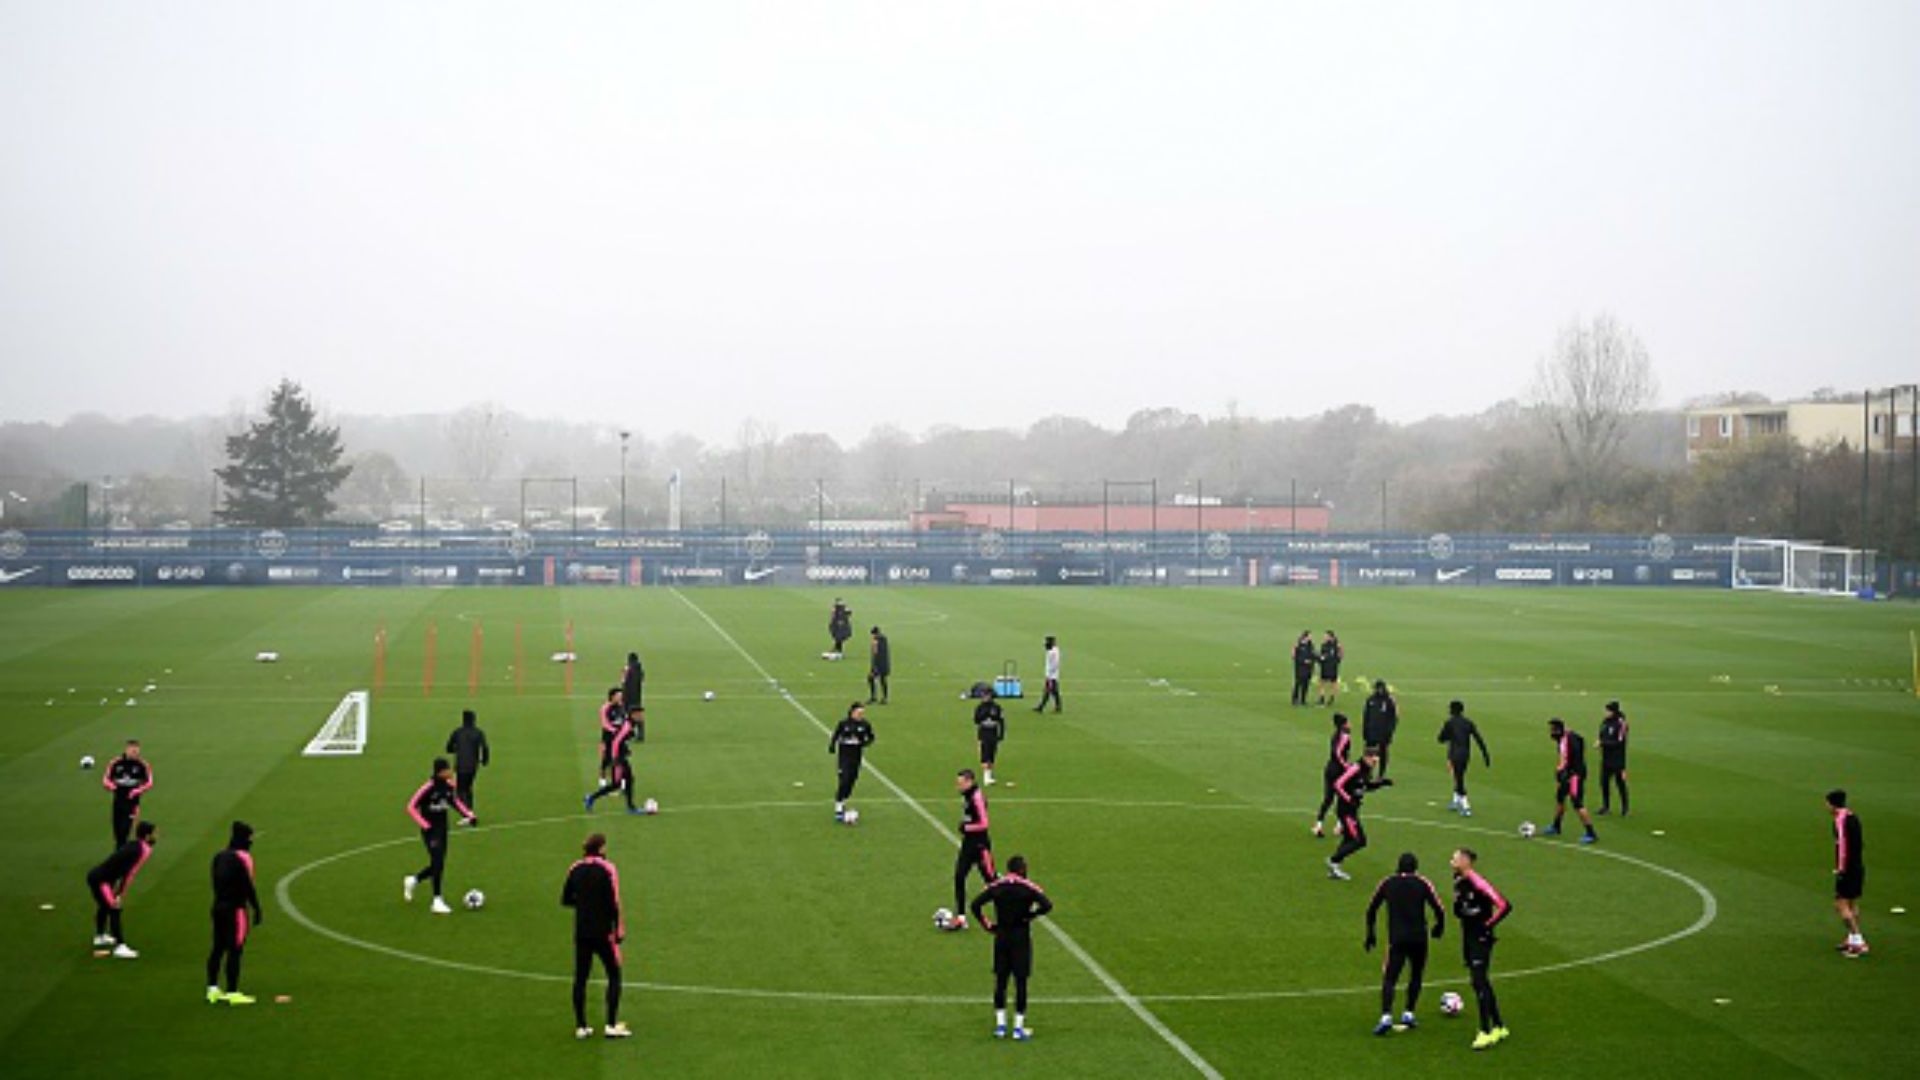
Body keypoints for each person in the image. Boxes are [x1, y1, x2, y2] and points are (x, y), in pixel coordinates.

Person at [969, 854, 1054, 1041]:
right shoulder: (1027, 887)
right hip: (1020, 937)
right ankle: (1018, 1027)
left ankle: (1000, 1025)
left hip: (1002, 936)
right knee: (1020, 981)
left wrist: (987, 924)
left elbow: (975, 905)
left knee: (1001, 980)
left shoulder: (998, 886)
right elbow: (1047, 905)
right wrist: (1030, 916)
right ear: (1022, 869)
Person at [1364, 852, 1446, 1035]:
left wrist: (1371, 934)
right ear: (1415, 868)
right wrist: (1439, 927)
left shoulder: (1388, 883)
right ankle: (1408, 1013)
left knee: (1390, 978)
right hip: (1419, 938)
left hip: (1397, 938)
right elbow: (1439, 908)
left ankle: (1386, 1016)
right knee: (1416, 975)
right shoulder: (1423, 883)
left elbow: (1371, 909)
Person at [562, 833, 631, 1039]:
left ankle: (581, 1026)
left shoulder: (575, 868)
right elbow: (614, 902)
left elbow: (565, 899)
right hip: (603, 931)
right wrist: (618, 930)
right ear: (601, 848)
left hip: (582, 931)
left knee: (580, 978)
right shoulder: (608, 869)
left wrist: (584, 903)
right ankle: (610, 1025)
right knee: (614, 974)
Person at [1450, 847, 1512, 1050]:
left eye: (1455, 858)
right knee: (1480, 982)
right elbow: (1461, 910)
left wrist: (1487, 926)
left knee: (1479, 981)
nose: (1452, 860)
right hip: (1468, 936)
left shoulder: (1478, 881)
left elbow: (1504, 905)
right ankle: (1499, 1026)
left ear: (1466, 861)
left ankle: (1485, 1031)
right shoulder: (1459, 881)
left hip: (1480, 938)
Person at [405, 757, 476, 914]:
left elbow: (454, 802)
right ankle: (437, 900)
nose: (450, 772)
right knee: (437, 862)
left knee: (438, 864)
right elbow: (410, 807)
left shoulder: (449, 786)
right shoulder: (428, 788)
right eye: (447, 769)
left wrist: (469, 815)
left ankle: (414, 880)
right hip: (430, 831)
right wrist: (425, 825)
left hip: (443, 829)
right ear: (440, 771)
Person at [207, 821, 264, 1005]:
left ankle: (212, 988)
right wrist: (256, 908)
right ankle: (232, 991)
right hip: (236, 909)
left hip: (218, 907)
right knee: (235, 949)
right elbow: (248, 886)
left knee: (217, 947)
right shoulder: (244, 858)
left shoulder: (219, 856)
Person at [87, 820, 155, 958]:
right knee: (114, 908)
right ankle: (120, 946)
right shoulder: (143, 850)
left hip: (101, 877)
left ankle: (100, 937)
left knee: (105, 906)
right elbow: (129, 873)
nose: (156, 836)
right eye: (154, 833)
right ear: (147, 836)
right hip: (101, 880)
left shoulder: (134, 845)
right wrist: (120, 894)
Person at [1327, 748, 1391, 880]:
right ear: (1366, 757)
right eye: (1373, 760)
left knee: (1349, 839)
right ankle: (1334, 860)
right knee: (1359, 840)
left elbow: (1365, 787)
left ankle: (1335, 868)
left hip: (1352, 810)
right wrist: (1349, 799)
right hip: (1346, 811)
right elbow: (1338, 784)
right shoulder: (1355, 768)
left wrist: (1381, 784)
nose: (1375, 763)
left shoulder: (1366, 770)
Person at [949, 769, 995, 929]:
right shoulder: (967, 795)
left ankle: (1010, 909)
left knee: (992, 882)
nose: (958, 786)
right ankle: (961, 917)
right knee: (959, 877)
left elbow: (984, 823)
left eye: (960, 783)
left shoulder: (977, 797)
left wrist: (966, 828)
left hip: (980, 845)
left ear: (969, 781)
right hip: (968, 844)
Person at [1828, 790, 1868, 957]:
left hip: (1848, 868)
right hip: (1857, 866)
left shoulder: (1841, 820)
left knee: (1840, 904)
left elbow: (1843, 846)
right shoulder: (1852, 816)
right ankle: (1852, 938)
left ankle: (1858, 941)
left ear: (1831, 804)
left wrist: (1840, 868)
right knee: (1851, 904)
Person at [1544, 719, 1597, 844]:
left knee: (1577, 803)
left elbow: (1568, 759)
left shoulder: (1569, 741)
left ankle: (1591, 832)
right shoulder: (1565, 738)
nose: (1551, 733)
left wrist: (1565, 772)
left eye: (1553, 730)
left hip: (1574, 776)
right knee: (1560, 798)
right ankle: (1556, 826)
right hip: (1567, 774)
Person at [1437, 701, 1491, 817]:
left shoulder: (1449, 723)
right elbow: (1478, 739)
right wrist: (1485, 755)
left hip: (1454, 755)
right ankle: (1455, 801)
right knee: (1458, 775)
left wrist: (1448, 737)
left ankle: (1466, 806)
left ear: (1452, 710)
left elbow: (1440, 738)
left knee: (1459, 779)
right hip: (1465, 754)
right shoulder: (1468, 723)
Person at [585, 705, 641, 814]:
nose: (642, 716)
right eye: (639, 714)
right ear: (633, 715)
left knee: (628, 779)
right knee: (616, 784)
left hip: (621, 757)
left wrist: (626, 750)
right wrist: (616, 759)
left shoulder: (630, 724)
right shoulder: (627, 726)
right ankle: (591, 797)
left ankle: (630, 807)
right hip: (618, 758)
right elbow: (616, 741)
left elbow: (620, 740)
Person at [102, 739, 154, 848]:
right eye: (132, 751)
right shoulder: (116, 763)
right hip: (118, 801)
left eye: (136, 751)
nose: (134, 753)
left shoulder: (142, 765)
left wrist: (137, 791)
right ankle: (120, 854)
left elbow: (149, 782)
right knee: (117, 833)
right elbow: (106, 780)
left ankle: (120, 856)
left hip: (132, 803)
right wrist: (113, 787)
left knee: (125, 831)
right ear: (127, 750)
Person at [828, 702, 875, 821]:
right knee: (844, 779)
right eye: (859, 712)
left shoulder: (865, 724)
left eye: (862, 713)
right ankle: (838, 807)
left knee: (851, 780)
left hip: (856, 756)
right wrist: (832, 746)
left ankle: (844, 799)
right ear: (852, 712)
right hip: (844, 756)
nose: (861, 715)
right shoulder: (844, 724)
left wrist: (863, 743)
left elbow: (871, 737)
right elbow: (836, 734)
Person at [1311, 712, 1353, 838]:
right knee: (1344, 798)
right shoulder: (1345, 736)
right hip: (1339, 771)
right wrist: (1347, 766)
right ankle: (1339, 826)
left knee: (1328, 798)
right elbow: (1338, 753)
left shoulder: (1335, 735)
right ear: (1344, 724)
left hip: (1330, 769)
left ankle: (1318, 824)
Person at [445, 709, 491, 813]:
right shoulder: (478, 732)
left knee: (461, 789)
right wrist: (484, 760)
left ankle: (467, 812)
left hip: (460, 765)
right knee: (468, 788)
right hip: (473, 765)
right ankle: (469, 811)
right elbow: (485, 747)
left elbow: (448, 748)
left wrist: (457, 749)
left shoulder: (457, 732)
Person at [1596, 701, 1629, 816]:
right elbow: (1602, 733)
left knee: (1620, 783)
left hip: (1617, 759)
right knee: (1604, 782)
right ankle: (1606, 806)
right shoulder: (1605, 722)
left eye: (1607, 711)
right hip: (1606, 757)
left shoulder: (1621, 724)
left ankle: (1625, 807)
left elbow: (1620, 742)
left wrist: (1603, 743)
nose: (1605, 713)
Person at [1361, 681, 1399, 778]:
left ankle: (1381, 773)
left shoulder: (1389, 700)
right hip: (1371, 730)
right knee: (1369, 753)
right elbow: (1366, 716)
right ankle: (1368, 772)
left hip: (1384, 732)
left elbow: (1393, 718)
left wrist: (1390, 731)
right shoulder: (1371, 700)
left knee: (1383, 752)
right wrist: (1365, 729)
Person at [975, 688, 1006, 785]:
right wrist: (984, 715)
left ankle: (989, 774)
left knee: (992, 753)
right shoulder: (980, 707)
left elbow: (1001, 721)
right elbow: (976, 720)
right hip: (984, 731)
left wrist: (1001, 734)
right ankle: (986, 776)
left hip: (993, 731)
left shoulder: (997, 707)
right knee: (985, 753)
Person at [597, 688, 626, 784]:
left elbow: (624, 720)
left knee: (621, 757)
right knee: (607, 757)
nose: (620, 697)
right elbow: (605, 723)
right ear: (612, 696)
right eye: (618, 695)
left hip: (620, 737)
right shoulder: (605, 708)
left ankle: (621, 779)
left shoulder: (621, 706)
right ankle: (602, 777)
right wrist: (614, 731)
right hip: (609, 737)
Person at [622, 652, 646, 742]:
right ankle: (638, 734)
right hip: (637, 695)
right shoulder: (639, 669)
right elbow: (642, 679)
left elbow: (625, 682)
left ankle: (635, 734)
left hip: (629, 695)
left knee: (630, 714)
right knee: (636, 714)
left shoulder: (629, 669)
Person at [1035, 636, 1062, 713]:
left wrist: (1049, 676)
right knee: (1054, 691)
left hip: (1052, 676)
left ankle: (1041, 707)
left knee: (1048, 691)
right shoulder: (1052, 651)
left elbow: (1054, 665)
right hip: (1051, 676)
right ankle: (1057, 706)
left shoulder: (1053, 653)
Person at [1290, 632, 1318, 707]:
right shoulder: (1298, 645)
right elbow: (1295, 657)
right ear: (1305, 637)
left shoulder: (1310, 645)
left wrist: (1320, 658)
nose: (1311, 638)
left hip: (1309, 668)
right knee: (1298, 683)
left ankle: (1303, 700)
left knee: (1306, 684)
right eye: (1310, 636)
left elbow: (1313, 654)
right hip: (1300, 668)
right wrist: (1304, 661)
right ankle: (1295, 699)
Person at [1317, 631, 1344, 706]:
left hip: (1332, 666)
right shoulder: (1324, 645)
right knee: (1322, 682)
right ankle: (1322, 697)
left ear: (1330, 637)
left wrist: (1337, 660)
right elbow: (1321, 655)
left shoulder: (1337, 645)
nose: (1324, 638)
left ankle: (1331, 697)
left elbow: (1341, 655)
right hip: (1325, 666)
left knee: (1333, 683)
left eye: (1326, 636)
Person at [867, 626, 891, 705]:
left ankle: (873, 697)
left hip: (878, 664)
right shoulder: (884, 639)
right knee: (883, 680)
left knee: (871, 678)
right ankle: (885, 698)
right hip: (885, 663)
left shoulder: (875, 641)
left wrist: (873, 667)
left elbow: (875, 654)